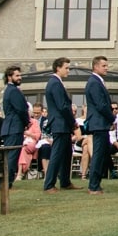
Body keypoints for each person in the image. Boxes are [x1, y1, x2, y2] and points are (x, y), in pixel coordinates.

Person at [42, 58, 75, 190]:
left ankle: (65, 181)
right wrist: (73, 123)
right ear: (58, 68)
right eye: (66, 68)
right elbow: (62, 106)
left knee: (67, 153)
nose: (68, 70)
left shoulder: (57, 83)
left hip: (63, 124)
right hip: (60, 123)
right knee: (57, 153)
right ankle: (49, 184)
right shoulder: (55, 83)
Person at [84, 57, 114, 194]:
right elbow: (101, 105)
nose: (106, 68)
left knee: (102, 153)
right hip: (99, 123)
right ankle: (93, 185)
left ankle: (96, 183)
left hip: (100, 123)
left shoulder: (97, 82)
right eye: (104, 65)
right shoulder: (94, 82)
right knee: (98, 154)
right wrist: (112, 118)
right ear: (95, 66)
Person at [0, 65, 29, 190]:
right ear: (9, 77)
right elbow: (20, 109)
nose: (20, 77)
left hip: (11, 127)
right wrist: (27, 122)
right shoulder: (13, 91)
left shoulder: (10, 90)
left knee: (11, 156)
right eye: (17, 75)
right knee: (12, 157)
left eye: (20, 75)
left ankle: (4, 182)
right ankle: (4, 183)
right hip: (14, 127)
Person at [19, 102, 46, 178]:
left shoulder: (45, 120)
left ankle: (22, 171)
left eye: (38, 113)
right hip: (28, 142)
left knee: (44, 147)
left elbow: (41, 135)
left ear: (42, 112)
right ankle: (20, 171)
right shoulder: (28, 121)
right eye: (34, 113)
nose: (36, 115)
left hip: (40, 141)